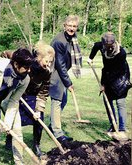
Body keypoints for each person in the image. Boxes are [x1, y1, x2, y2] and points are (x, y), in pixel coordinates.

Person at [5, 41, 55, 157]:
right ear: (39, 57)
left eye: (51, 62)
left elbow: (43, 92)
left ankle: (36, 145)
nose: (48, 65)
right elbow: (7, 54)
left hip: (33, 96)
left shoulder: (46, 73)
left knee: (39, 119)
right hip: (18, 95)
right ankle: (9, 138)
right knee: (15, 119)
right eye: (46, 61)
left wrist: (38, 109)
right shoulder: (26, 61)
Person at [87, 32, 132, 140]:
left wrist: (104, 84)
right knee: (107, 101)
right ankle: (113, 125)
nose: (109, 48)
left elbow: (110, 70)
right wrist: (90, 58)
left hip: (120, 77)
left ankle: (121, 129)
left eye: (111, 46)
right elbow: (96, 46)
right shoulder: (101, 46)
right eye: (106, 46)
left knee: (120, 102)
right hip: (108, 75)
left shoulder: (121, 53)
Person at [49, 15, 82, 145]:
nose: (71, 28)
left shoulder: (72, 38)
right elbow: (60, 64)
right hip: (54, 73)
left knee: (63, 100)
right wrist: (68, 83)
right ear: (64, 26)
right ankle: (57, 133)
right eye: (69, 26)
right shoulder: (59, 41)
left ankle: (53, 123)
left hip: (61, 73)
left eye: (74, 26)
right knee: (57, 101)